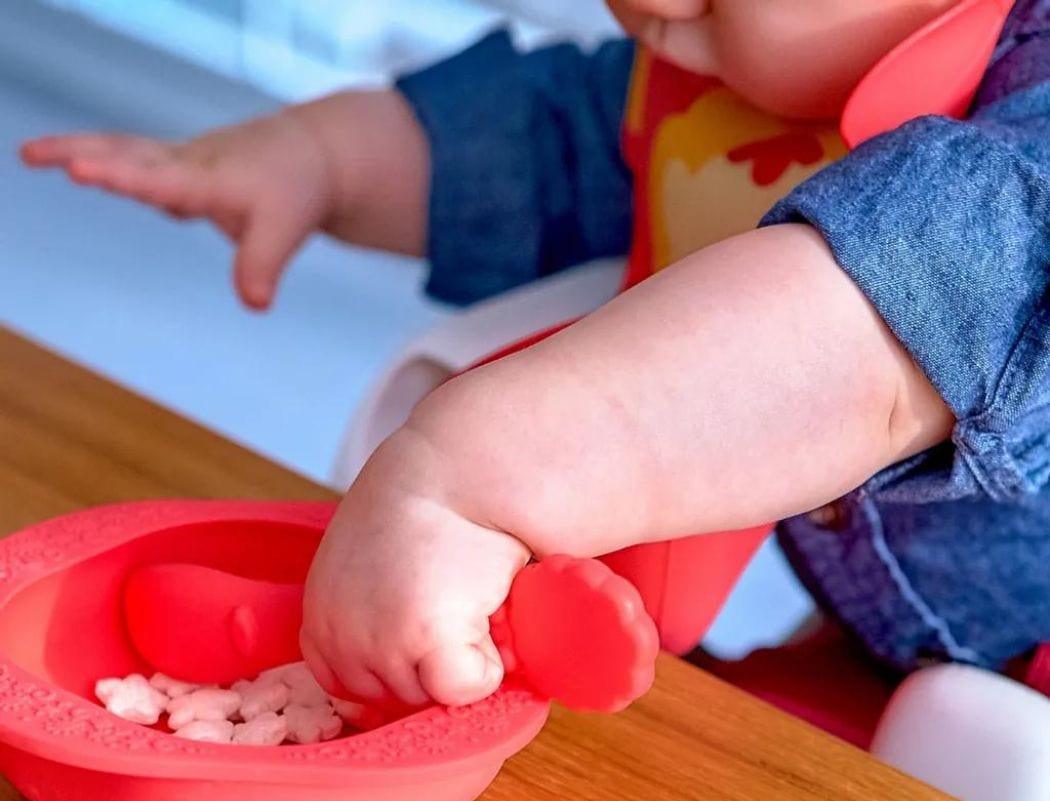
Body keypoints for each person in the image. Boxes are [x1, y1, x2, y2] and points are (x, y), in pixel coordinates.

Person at [23, 1, 1050, 718]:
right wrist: (322, 159)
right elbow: (557, 138)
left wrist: (474, 482)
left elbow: (871, 335)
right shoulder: (742, 69)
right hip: (885, 654)